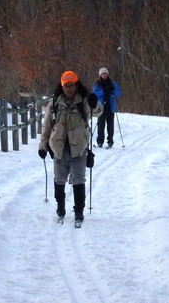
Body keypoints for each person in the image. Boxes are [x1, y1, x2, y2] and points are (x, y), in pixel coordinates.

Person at [38, 70, 100, 226]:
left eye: (71, 85)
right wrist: (43, 146)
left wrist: (95, 102)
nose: (69, 89)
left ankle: (79, 212)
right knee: (59, 181)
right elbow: (47, 127)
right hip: (58, 149)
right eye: (66, 86)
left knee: (78, 180)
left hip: (78, 148)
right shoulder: (54, 104)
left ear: (76, 85)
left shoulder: (84, 102)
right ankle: (60, 209)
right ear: (62, 86)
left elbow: (98, 111)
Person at [93, 67, 122, 148]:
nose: (104, 75)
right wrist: (103, 91)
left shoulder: (112, 83)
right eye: (103, 74)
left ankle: (110, 141)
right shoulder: (97, 84)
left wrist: (113, 90)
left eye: (105, 73)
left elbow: (119, 93)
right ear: (100, 75)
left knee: (110, 125)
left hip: (110, 107)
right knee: (100, 125)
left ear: (107, 74)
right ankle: (100, 142)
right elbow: (94, 94)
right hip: (101, 107)